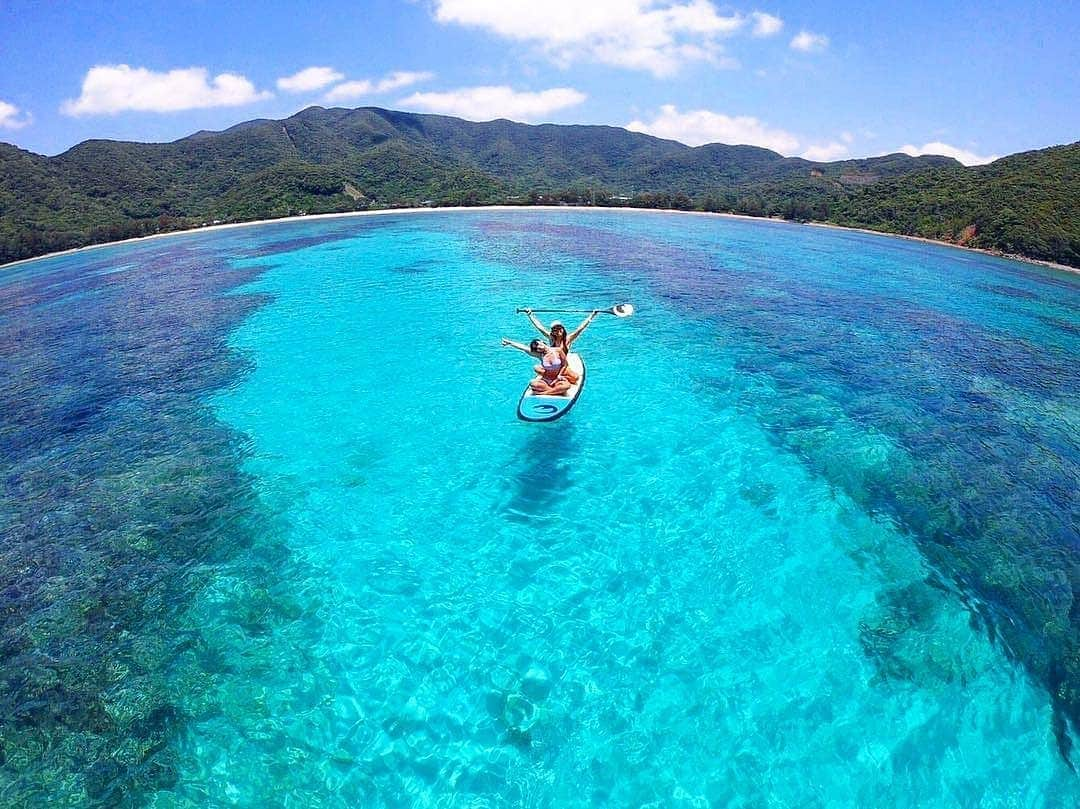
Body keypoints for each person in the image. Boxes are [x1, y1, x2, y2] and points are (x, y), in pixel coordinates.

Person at [521, 308, 600, 385]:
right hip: (553, 366)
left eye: (560, 328)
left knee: (576, 378)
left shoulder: (568, 339)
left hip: (562, 366)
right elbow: (539, 327)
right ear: (553, 332)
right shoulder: (551, 339)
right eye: (555, 329)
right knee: (537, 368)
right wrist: (530, 314)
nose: (558, 331)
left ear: (563, 329)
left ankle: (557, 377)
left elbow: (581, 328)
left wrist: (592, 315)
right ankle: (554, 377)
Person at [501, 337, 572, 395]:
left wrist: (559, 376)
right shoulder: (540, 355)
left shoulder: (557, 350)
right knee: (532, 383)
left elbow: (565, 364)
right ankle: (555, 391)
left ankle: (545, 392)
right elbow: (523, 348)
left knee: (567, 386)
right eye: (536, 348)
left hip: (557, 379)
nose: (538, 347)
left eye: (537, 344)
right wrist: (510, 343)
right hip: (546, 379)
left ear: (541, 341)